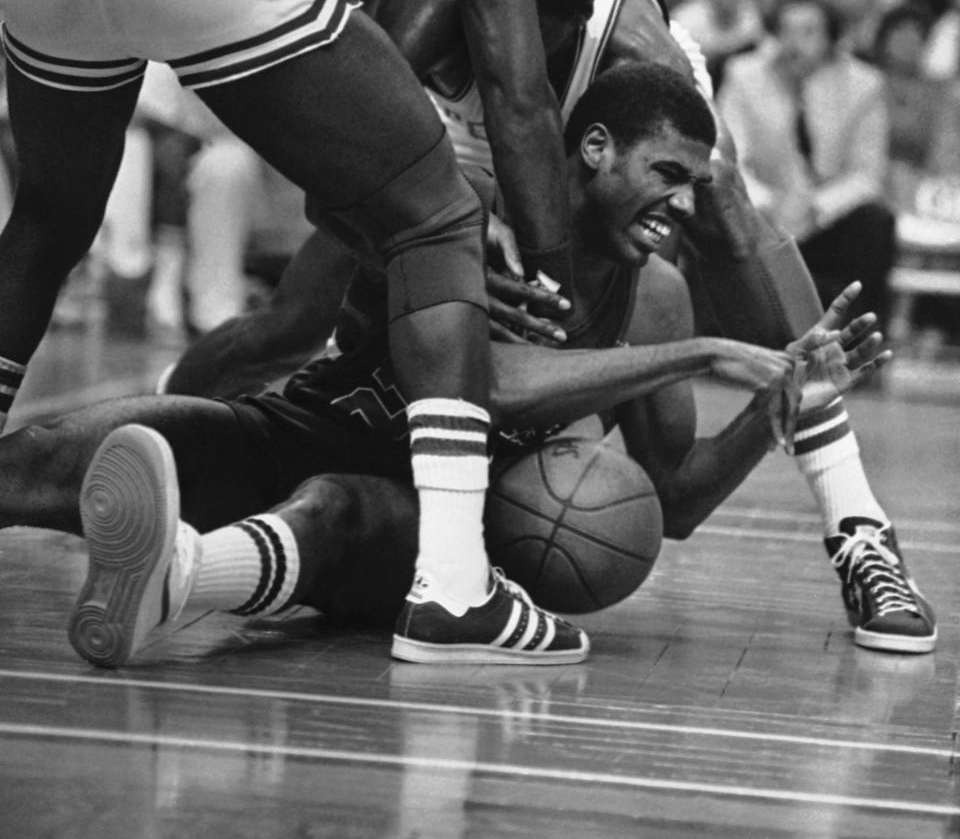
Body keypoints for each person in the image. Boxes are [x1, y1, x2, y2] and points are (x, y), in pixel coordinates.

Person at [162, 0, 935, 653]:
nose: (504, 40)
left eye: (528, 27)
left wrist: (786, 371)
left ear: (568, 24)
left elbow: (735, 238)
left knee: (733, 245)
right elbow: (330, 188)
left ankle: (860, 533)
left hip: (583, 160)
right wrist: (423, 244)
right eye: (489, 13)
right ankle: (173, 456)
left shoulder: (635, 57)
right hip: (441, 160)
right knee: (298, 321)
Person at [0, 61, 890, 670]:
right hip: (304, 422)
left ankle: (174, 580)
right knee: (77, 449)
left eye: (696, 184)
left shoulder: (655, 297)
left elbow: (678, 499)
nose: (684, 203)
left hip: (435, 524)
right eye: (667, 172)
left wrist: (769, 407)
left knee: (344, 510)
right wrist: (695, 355)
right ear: (595, 150)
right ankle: (156, 559)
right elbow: (479, 378)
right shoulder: (465, 205)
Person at [0, 0, 585, 665]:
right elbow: (519, 94)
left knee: (47, 220)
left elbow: (335, 179)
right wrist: (557, 275)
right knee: (438, 216)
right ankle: (456, 588)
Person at [718, 0, 896, 329]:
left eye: (808, 31)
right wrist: (768, 203)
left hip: (829, 214)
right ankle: (745, 333)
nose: (794, 42)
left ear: (831, 37)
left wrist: (817, 207)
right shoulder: (743, 75)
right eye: (786, 31)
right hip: (763, 211)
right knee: (724, 207)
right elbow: (729, 157)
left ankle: (854, 335)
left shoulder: (865, 84)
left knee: (876, 219)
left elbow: (867, 174)